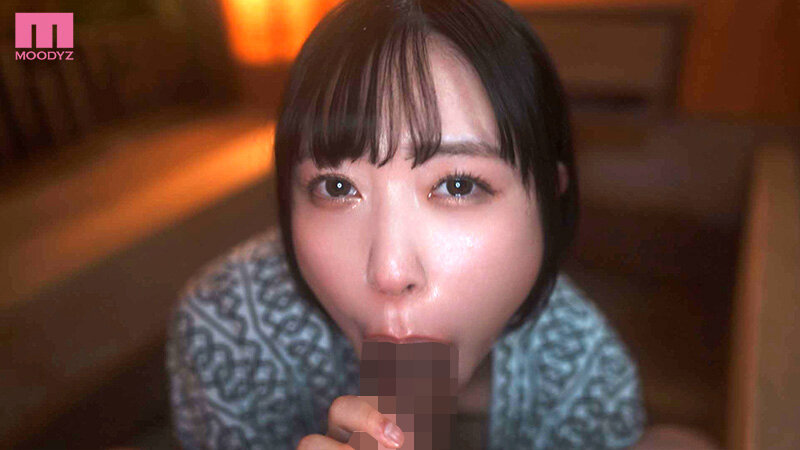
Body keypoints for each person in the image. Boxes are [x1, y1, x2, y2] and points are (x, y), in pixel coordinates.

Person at [166, 0, 648, 448]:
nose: (390, 273)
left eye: (458, 185)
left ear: (549, 196)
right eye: (336, 186)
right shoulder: (227, 326)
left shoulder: (589, 381)